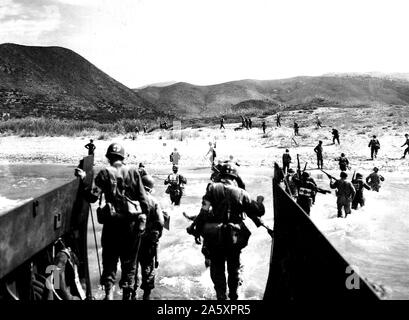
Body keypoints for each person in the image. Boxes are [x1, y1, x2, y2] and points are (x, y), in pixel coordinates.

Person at [74, 143, 149, 300]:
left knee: (109, 261)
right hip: (131, 226)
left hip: (112, 226)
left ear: (108, 157)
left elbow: (92, 197)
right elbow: (144, 202)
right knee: (129, 264)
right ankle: (127, 295)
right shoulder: (134, 172)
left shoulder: (104, 173)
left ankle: (109, 295)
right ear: (123, 157)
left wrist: (83, 179)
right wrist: (143, 221)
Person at [185, 162, 268, 300]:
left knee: (217, 269)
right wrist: (259, 202)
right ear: (234, 177)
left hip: (214, 237)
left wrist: (197, 231)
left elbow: (204, 212)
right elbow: (259, 211)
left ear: (221, 174)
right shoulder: (242, 193)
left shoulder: (212, 189)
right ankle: (234, 295)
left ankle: (221, 296)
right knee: (234, 267)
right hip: (233, 238)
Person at [132, 175, 164, 300]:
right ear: (150, 189)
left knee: (132, 268)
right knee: (148, 269)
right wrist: (157, 236)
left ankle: (131, 294)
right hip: (148, 241)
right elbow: (161, 222)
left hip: (133, 241)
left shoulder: (132, 200)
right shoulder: (154, 201)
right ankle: (147, 296)